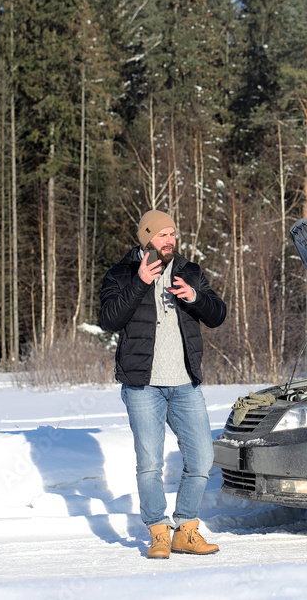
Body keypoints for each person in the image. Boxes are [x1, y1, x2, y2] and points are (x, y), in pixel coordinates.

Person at [100, 209, 226, 559]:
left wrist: (196, 298)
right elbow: (110, 319)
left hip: (185, 383)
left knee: (202, 459)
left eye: (173, 233)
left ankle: (185, 529)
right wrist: (139, 282)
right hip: (142, 385)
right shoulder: (121, 273)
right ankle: (158, 532)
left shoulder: (190, 271)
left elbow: (218, 315)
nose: (170, 240)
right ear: (146, 238)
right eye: (162, 235)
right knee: (150, 464)